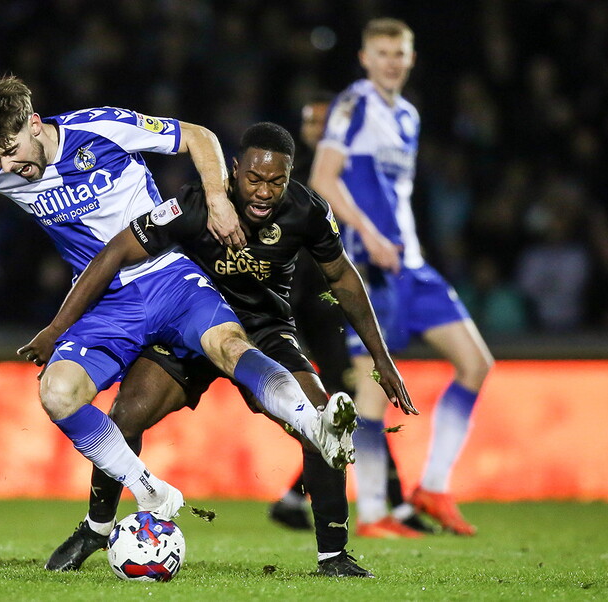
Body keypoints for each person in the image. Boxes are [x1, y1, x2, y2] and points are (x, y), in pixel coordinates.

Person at [0, 75, 359, 523]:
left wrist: (217, 198)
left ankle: (314, 427)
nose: (7, 166)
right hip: (105, 303)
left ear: (34, 124)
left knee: (230, 345)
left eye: (11, 150)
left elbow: (198, 135)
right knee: (57, 392)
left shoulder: (101, 127)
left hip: (168, 276)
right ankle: (149, 490)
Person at [21, 122, 416, 577]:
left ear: (290, 176)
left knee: (320, 420)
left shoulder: (306, 210)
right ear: (234, 169)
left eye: (276, 181)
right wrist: (59, 327)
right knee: (126, 416)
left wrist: (382, 359)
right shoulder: (195, 204)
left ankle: (334, 556)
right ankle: (96, 528)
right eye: (254, 179)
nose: (264, 192)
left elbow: (342, 278)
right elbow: (116, 250)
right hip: (191, 322)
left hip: (265, 332)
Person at [308, 18, 494, 537]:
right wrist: (367, 234)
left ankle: (433, 487)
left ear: (411, 59)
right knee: (371, 388)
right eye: (383, 53)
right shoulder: (354, 104)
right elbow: (323, 179)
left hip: (411, 265)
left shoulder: (408, 115)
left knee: (475, 363)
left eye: (400, 53)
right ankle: (372, 512)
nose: (391, 62)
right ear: (365, 59)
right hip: (370, 268)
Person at [269, 94, 430, 534]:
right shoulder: (297, 178)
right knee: (354, 397)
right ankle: (394, 504)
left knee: (354, 398)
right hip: (313, 302)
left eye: (324, 121)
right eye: (310, 121)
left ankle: (302, 498)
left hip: (337, 298)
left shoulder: (347, 175)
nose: (316, 129)